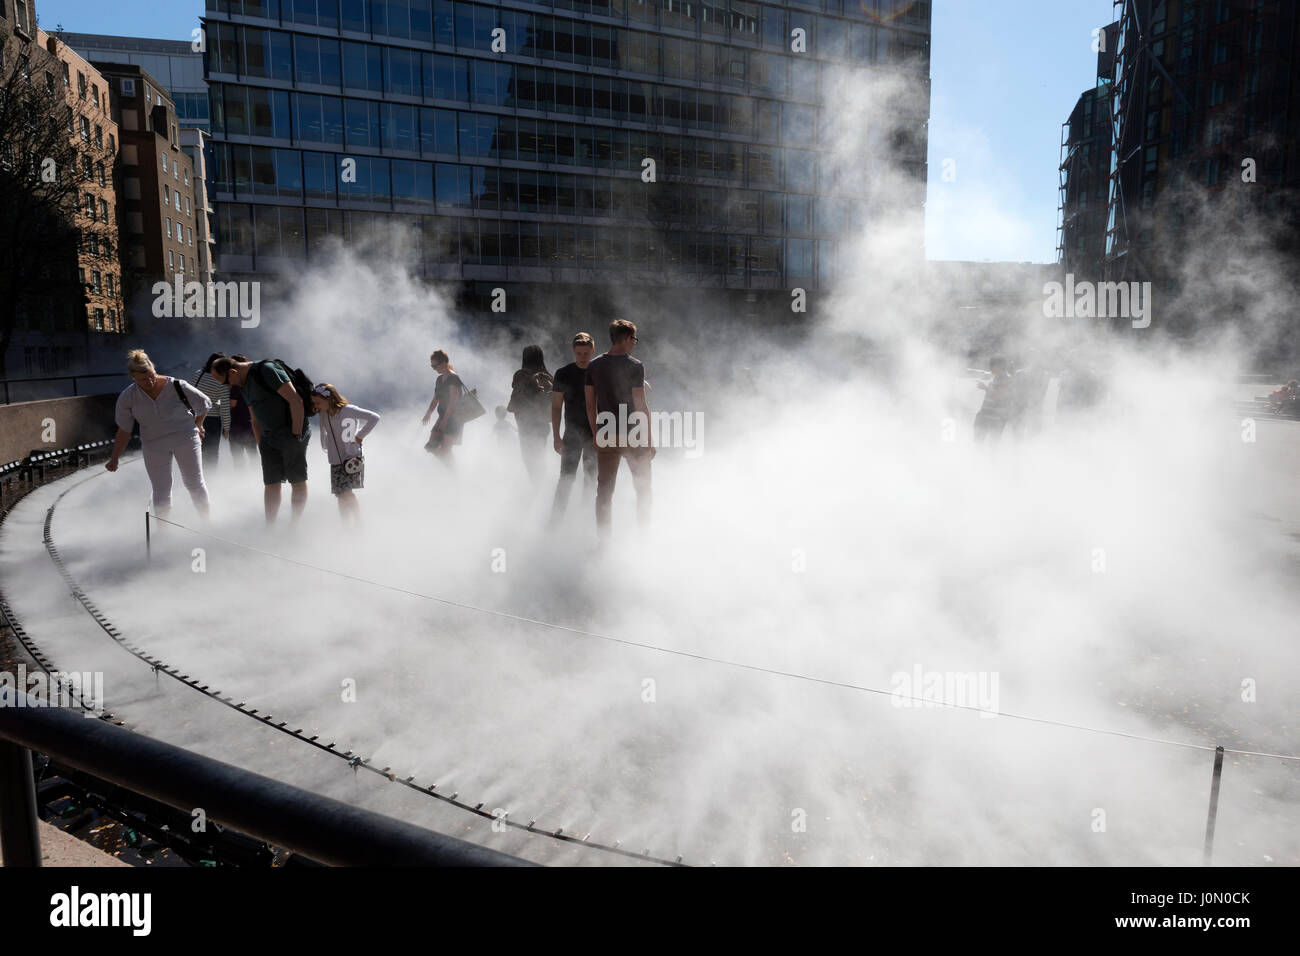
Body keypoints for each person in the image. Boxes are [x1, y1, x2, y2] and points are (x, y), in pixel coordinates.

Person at [105, 349, 211, 518]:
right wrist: (115, 458)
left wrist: (199, 424)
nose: (150, 381)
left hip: (185, 438)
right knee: (161, 488)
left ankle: (207, 521)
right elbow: (124, 430)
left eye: (152, 375)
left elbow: (204, 403)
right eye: (143, 379)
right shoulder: (128, 397)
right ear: (133, 377)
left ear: (154, 369)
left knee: (194, 483)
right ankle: (164, 532)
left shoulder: (177, 385)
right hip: (154, 445)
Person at [209, 355, 310, 523]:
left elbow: (296, 401)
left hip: (291, 434)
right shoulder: (242, 383)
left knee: (297, 480)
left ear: (233, 372)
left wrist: (296, 434)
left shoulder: (267, 370)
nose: (228, 386)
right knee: (271, 483)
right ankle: (270, 526)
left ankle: (294, 526)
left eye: (226, 381)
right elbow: (254, 418)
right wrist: (261, 444)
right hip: (268, 438)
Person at [585, 318, 654, 538]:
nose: (634, 343)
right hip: (633, 433)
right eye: (633, 339)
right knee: (643, 489)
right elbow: (641, 405)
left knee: (604, 493)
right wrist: (649, 439)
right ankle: (644, 537)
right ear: (625, 339)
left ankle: (604, 543)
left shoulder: (593, 365)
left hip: (606, 434)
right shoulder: (635, 365)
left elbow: (590, 405)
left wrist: (596, 434)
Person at [312, 383, 380, 522]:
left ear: (328, 399)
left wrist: (359, 436)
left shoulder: (348, 410)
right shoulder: (324, 414)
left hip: (351, 457)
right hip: (335, 459)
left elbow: (374, 417)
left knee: (346, 492)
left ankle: (358, 522)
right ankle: (345, 524)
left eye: (318, 402)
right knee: (340, 493)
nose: (316, 405)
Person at [550, 332, 598, 524]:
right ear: (573, 352)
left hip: (594, 433)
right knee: (566, 479)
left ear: (593, 351)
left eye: (586, 353)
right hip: (571, 433)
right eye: (579, 353)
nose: (582, 357)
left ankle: (585, 522)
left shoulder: (598, 371)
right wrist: (556, 436)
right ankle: (554, 522)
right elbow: (555, 407)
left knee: (591, 479)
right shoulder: (563, 373)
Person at [507, 344, 553, 481]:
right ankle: (541, 484)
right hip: (543, 422)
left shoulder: (521, 375)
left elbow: (516, 399)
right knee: (540, 455)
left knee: (529, 457)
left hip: (526, 423)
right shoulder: (548, 376)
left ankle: (536, 486)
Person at [422, 350, 465, 463]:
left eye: (435, 366)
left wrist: (445, 421)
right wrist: (428, 413)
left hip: (454, 419)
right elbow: (436, 398)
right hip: (442, 417)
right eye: (432, 366)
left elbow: (453, 402)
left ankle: (453, 474)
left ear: (443, 363)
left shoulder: (453, 378)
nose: (434, 369)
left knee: (445, 450)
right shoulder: (439, 379)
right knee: (431, 446)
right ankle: (451, 472)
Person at [191, 352, 231, 467]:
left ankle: (197, 475)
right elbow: (225, 408)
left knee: (197, 450)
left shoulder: (198, 374)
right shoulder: (221, 381)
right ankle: (211, 479)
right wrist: (226, 428)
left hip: (194, 418)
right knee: (212, 452)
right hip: (212, 420)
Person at [226, 353, 258, 468]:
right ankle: (258, 477)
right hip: (251, 422)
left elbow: (232, 404)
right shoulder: (250, 381)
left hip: (238, 424)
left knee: (238, 456)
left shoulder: (235, 384)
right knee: (253, 454)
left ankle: (240, 480)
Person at [973, 355, 1013, 444]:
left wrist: (985, 388)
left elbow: (1000, 396)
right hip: (984, 416)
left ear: (1000, 366)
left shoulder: (1008, 379)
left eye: (992, 366)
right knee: (977, 443)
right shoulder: (994, 378)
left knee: (992, 446)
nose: (990, 368)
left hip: (997, 419)